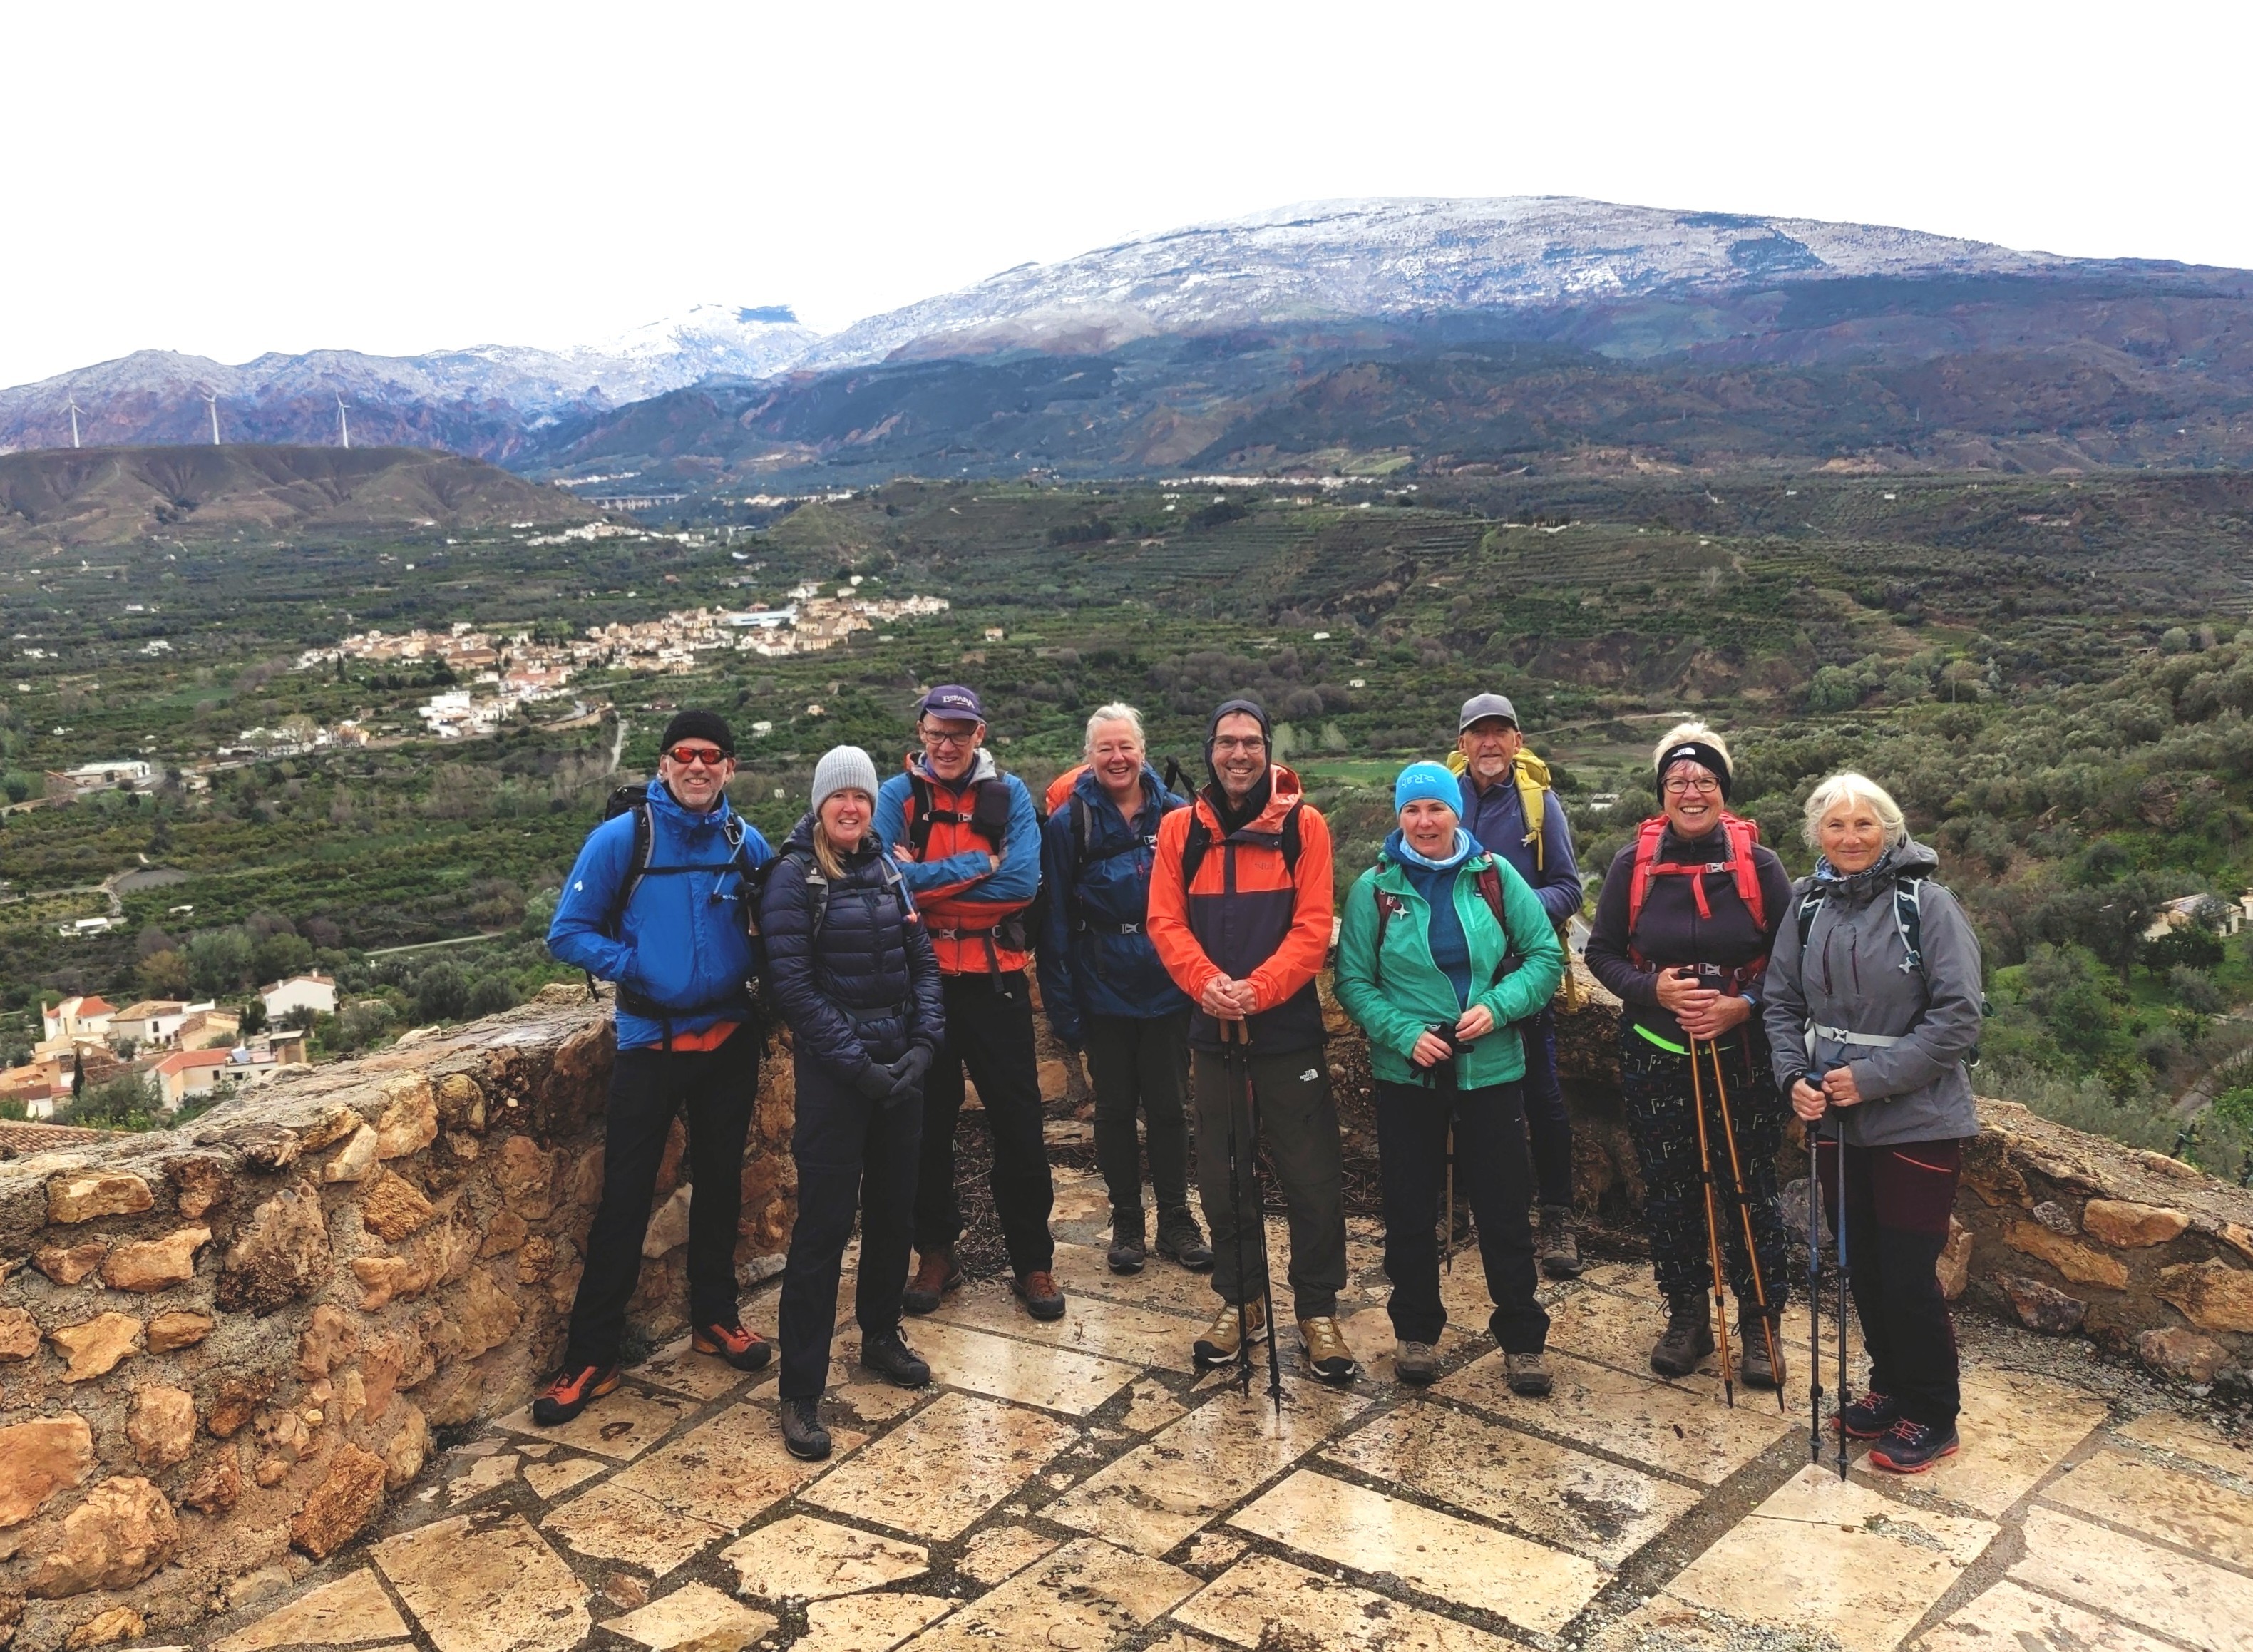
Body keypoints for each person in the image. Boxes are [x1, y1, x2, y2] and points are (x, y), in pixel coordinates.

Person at [538, 710, 776, 1425]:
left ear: (729, 767)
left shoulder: (745, 841)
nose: (698, 766)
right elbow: (567, 932)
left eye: (712, 756)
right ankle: (591, 1357)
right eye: (684, 754)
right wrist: (635, 965)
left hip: (728, 1039)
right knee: (624, 1199)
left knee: (723, 1186)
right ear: (665, 763)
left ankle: (716, 1318)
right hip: (651, 1043)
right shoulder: (623, 838)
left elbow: (782, 918)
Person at [1765, 773, 1983, 1474]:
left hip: (1917, 1117)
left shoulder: (1927, 903)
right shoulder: (1805, 905)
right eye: (1836, 825)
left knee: (1906, 1269)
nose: (1851, 837)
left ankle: (1934, 1411)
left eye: (1865, 825)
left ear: (1889, 830)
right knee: (1860, 1263)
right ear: (1816, 835)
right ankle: (1891, 1387)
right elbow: (1779, 1003)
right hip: (1834, 1114)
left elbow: (1958, 1017)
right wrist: (1792, 1079)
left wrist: (1871, 1079)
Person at [1335, 761, 1566, 1392]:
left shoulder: (1494, 875)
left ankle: (1522, 1339)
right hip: (1408, 1072)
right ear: (1398, 816)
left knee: (1504, 1207)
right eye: (1411, 810)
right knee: (1410, 1204)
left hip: (1490, 1066)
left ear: (1454, 810)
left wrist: (1498, 1005)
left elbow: (1546, 954)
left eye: (1435, 808)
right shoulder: (1374, 890)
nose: (1424, 821)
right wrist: (1405, 1033)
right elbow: (1352, 981)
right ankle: (1414, 1331)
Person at [1147, 698, 1355, 1383]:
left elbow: (1313, 925)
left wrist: (1256, 991)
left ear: (1268, 749)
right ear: (1210, 750)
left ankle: (1317, 1311)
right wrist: (1208, 984)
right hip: (1212, 1032)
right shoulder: (1182, 831)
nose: (1239, 754)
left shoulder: (1305, 826)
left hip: (1286, 1032)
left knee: (1311, 1176)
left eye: (1251, 742)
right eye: (1227, 742)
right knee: (1223, 1177)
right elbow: (1164, 921)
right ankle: (1242, 1301)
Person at [1585, 721, 1795, 1387]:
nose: (1692, 790)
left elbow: (1793, 962)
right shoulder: (1633, 864)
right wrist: (1655, 990)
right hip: (1656, 1050)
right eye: (1678, 781)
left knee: (1749, 1188)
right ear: (1661, 792)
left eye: (1704, 779)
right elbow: (1602, 952)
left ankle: (1761, 1325)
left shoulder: (1760, 867)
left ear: (1723, 791)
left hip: (1745, 1054)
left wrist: (1746, 1005)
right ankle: (1688, 1317)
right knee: (1672, 1189)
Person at [761, 747, 948, 1461]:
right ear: (819, 802)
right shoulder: (791, 878)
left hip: (899, 1070)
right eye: (839, 797)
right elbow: (795, 991)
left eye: (862, 798)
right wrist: (861, 1069)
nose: (851, 808)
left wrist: (923, 1046)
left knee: (894, 1212)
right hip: (839, 1082)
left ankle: (878, 1334)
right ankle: (799, 1390)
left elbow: (923, 963)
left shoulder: (887, 869)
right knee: (822, 1232)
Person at [876, 686, 1062, 1321]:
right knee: (925, 1123)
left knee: (1019, 1123)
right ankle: (935, 1251)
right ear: (921, 733)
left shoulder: (1007, 796)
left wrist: (923, 884)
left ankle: (1033, 1260)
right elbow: (882, 884)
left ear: (979, 734)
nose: (947, 744)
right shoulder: (897, 796)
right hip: (921, 981)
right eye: (937, 732)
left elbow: (1021, 884)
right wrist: (979, 863)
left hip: (995, 980)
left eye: (960, 732)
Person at [1037, 704, 1213, 1276]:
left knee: (1169, 1108)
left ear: (1142, 749)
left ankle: (1176, 1219)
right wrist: (1064, 1006)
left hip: (1168, 984)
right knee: (1114, 1110)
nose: (1117, 758)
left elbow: (1203, 906)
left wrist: (1201, 982)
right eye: (1105, 748)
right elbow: (1055, 920)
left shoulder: (1180, 817)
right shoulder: (1070, 825)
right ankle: (1128, 1222)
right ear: (1089, 756)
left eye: (1126, 746)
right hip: (1103, 987)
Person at [1453, 692, 1586, 1277]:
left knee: (1542, 1097)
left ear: (1517, 741)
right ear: (1462, 744)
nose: (1489, 742)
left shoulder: (1539, 805)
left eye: (1499, 732)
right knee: (1450, 1095)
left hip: (1520, 978)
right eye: (1478, 733)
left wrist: (1506, 909)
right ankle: (1454, 1207)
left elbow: (1569, 888)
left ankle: (1557, 1215)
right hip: (1452, 978)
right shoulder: (1440, 797)